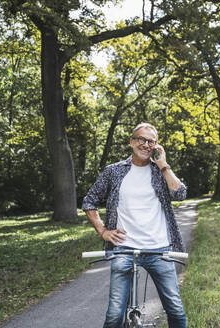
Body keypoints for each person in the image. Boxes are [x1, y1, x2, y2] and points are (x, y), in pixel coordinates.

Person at [82, 122, 187, 328]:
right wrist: (103, 231)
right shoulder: (114, 171)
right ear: (132, 142)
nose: (146, 144)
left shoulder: (160, 172)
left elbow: (180, 194)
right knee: (114, 315)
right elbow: (89, 201)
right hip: (124, 249)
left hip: (160, 249)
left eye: (151, 141)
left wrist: (164, 165)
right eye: (141, 139)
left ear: (156, 145)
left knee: (175, 309)